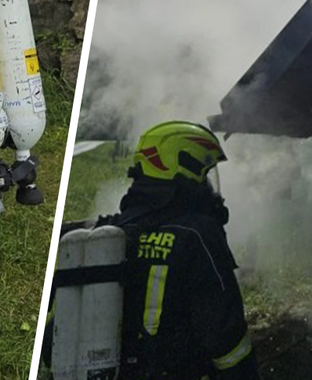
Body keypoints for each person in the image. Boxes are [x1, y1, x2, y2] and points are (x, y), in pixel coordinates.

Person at [50, 121, 258, 380]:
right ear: (186, 167)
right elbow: (224, 334)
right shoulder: (197, 234)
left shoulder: (107, 232)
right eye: (205, 173)